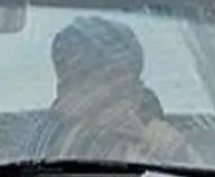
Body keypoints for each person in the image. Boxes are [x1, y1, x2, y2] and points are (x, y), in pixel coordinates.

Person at [28, 15, 200, 164]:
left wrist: (176, 152)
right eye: (75, 79)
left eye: (99, 74)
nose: (97, 97)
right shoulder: (42, 137)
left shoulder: (161, 144)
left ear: (133, 90)